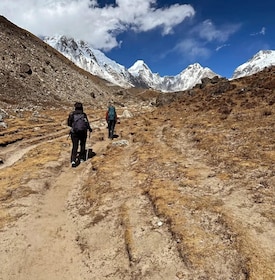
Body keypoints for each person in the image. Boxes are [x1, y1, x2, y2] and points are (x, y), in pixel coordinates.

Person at [67, 102, 92, 167]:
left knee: (75, 146)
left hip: (74, 132)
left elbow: (69, 123)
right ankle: (82, 158)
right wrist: (90, 129)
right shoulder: (83, 114)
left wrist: (74, 126)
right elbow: (87, 123)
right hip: (83, 132)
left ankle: (73, 160)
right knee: (82, 145)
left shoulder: (72, 114)